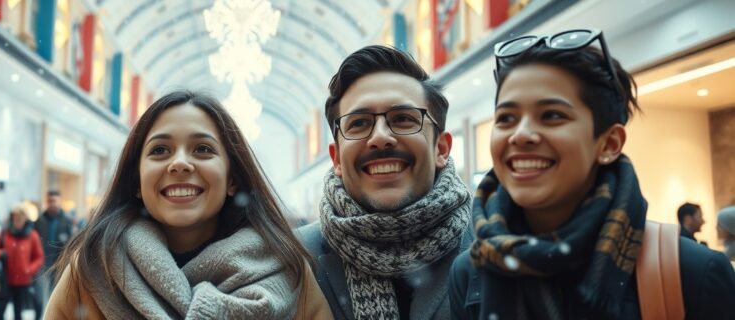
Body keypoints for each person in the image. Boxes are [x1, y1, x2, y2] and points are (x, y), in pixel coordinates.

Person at [448, 29, 735, 319]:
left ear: (609, 144)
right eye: (506, 118)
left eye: (552, 115)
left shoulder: (692, 271)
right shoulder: (471, 270)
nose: (520, 135)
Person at [45, 91, 331, 319]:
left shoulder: (286, 269)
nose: (180, 163)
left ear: (232, 179)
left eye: (203, 149)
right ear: (136, 182)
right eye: (160, 150)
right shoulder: (94, 269)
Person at [296, 45, 472, 320]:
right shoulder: (295, 258)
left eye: (402, 119)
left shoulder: (493, 242)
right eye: (358, 123)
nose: (380, 137)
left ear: (441, 148)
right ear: (337, 159)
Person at [0, 204, 44, 320]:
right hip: (5, 280)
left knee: (18, 311)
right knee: (0, 311)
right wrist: (0, 253)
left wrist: (29, 270)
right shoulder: (5, 233)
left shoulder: (32, 235)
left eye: (20, 217)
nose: (17, 220)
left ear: (25, 218)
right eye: (15, 217)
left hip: (23, 281)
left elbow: (39, 257)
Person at [32, 190, 73, 306]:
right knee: (39, 295)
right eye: (50, 201)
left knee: (54, 294)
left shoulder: (67, 221)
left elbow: (70, 243)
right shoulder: (39, 220)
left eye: (54, 201)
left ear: (59, 202)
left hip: (58, 262)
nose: (52, 203)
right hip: (41, 262)